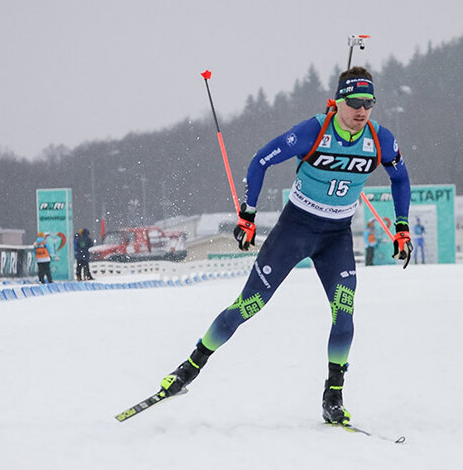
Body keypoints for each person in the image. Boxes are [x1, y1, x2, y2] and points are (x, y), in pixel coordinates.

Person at [158, 67, 412, 427]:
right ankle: (189, 368)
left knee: (344, 314)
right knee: (248, 306)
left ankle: (333, 397)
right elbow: (260, 161)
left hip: (336, 237)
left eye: (368, 103)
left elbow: (401, 178)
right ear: (338, 102)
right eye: (354, 102)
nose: (361, 110)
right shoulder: (314, 131)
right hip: (295, 228)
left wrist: (401, 227)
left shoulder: (381, 139)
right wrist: (248, 215)